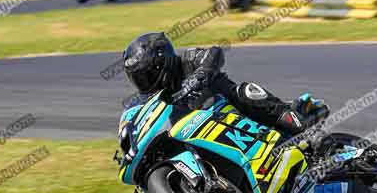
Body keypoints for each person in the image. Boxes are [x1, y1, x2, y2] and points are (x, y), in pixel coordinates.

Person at [122, 32, 329, 137]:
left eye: (145, 75)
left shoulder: (188, 60)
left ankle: (299, 125)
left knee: (246, 92)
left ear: (161, 64)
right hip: (209, 132)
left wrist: (201, 74)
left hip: (237, 112)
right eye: (138, 78)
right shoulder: (156, 98)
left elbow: (214, 52)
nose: (144, 82)